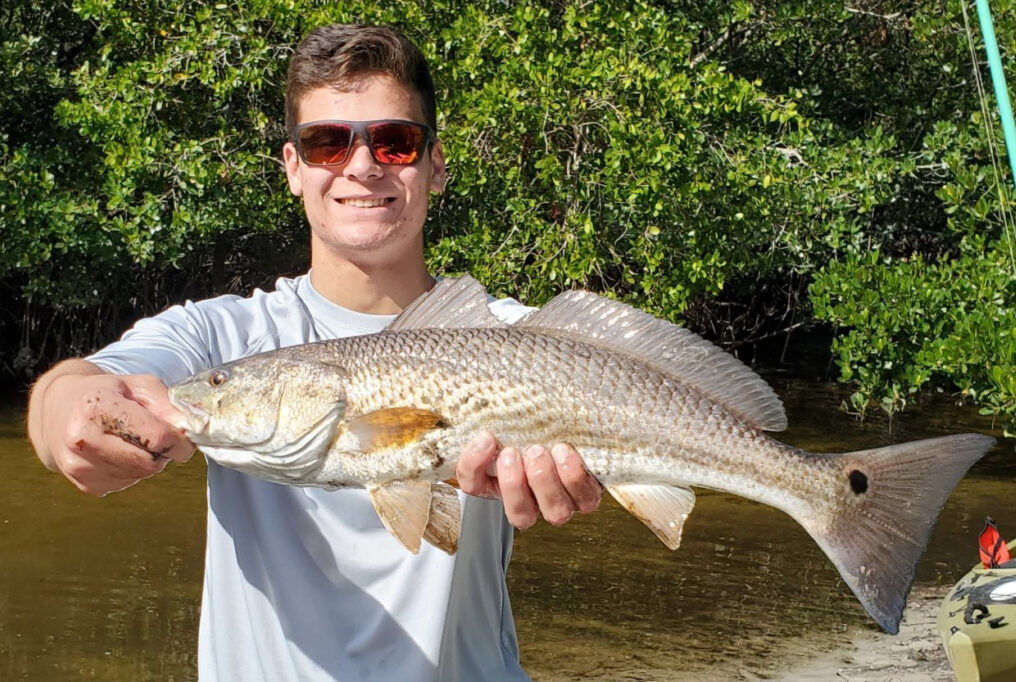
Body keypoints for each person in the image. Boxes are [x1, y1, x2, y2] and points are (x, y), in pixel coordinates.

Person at [25, 24, 602, 681]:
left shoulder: (523, 343)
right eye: (327, 143)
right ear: (293, 169)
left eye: (395, 141)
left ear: (435, 164)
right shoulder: (228, 337)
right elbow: (66, 394)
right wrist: (73, 414)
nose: (361, 166)